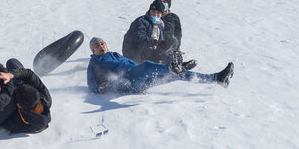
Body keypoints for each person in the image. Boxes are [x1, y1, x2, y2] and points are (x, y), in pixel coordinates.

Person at [87, 37, 234, 94]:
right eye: (97, 45)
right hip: (126, 83)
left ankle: (217, 78)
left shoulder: (115, 55)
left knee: (177, 75)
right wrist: (98, 88)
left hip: (139, 82)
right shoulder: (94, 62)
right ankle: (173, 66)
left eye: (102, 43)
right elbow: (90, 82)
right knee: (146, 66)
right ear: (93, 50)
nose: (100, 46)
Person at [122, 0, 178, 64]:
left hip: (150, 52)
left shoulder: (160, 25)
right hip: (134, 53)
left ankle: (177, 66)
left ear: (161, 14)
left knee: (171, 49)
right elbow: (139, 39)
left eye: (158, 13)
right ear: (149, 11)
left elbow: (160, 43)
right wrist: (155, 42)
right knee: (156, 54)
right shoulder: (141, 22)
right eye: (153, 11)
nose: (155, 14)